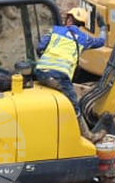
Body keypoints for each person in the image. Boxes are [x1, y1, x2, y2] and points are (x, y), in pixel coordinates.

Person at [34, 8, 105, 139]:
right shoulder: (84, 38)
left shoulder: (55, 30)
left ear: (69, 19)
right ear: (81, 25)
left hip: (40, 72)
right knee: (74, 106)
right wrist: (103, 28)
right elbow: (101, 42)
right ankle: (89, 136)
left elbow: (39, 47)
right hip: (60, 77)